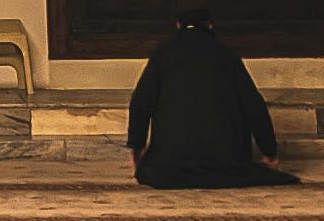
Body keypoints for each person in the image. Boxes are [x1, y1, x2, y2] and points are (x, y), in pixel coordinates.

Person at [127, 10, 299, 187]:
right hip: (227, 160)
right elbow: (253, 105)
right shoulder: (226, 54)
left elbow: (141, 102)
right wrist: (269, 152)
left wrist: (136, 147)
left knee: (156, 169)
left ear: (178, 26)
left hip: (172, 161)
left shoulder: (162, 54)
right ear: (209, 26)